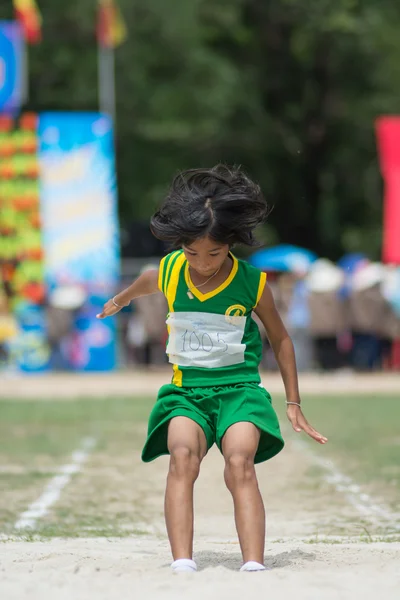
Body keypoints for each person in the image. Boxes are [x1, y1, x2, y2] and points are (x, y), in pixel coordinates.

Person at [97, 165, 327, 573]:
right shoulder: (169, 271)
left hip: (239, 392)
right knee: (182, 455)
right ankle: (183, 561)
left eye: (214, 253)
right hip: (186, 394)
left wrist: (293, 401)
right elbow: (144, 281)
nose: (202, 262)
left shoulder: (252, 283)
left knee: (239, 460)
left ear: (231, 246)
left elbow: (281, 339)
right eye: (192, 253)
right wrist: (120, 300)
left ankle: (253, 564)